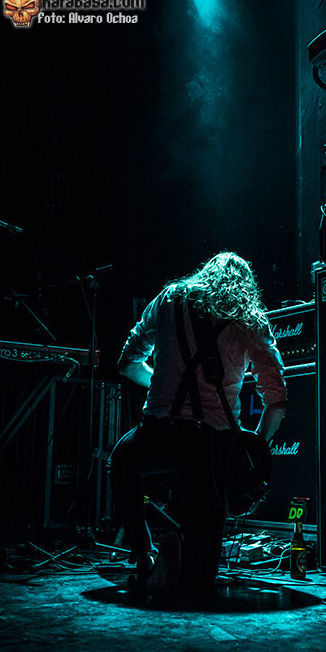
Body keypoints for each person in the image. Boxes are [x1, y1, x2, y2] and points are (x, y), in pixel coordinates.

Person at [109, 252, 287, 600]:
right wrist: (254, 447)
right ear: (245, 286)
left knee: (121, 462)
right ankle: (190, 556)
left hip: (159, 432)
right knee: (203, 565)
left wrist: (165, 387)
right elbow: (277, 399)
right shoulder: (249, 318)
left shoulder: (169, 298)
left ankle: (144, 551)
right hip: (213, 445)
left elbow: (127, 363)